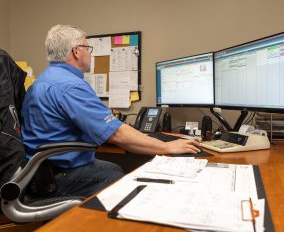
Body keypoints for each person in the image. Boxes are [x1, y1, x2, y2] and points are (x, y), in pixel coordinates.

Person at [21, 24, 201, 198]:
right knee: (125, 185)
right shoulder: (71, 86)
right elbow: (117, 134)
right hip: (58, 176)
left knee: (114, 168)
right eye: (88, 48)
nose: (90, 54)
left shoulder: (41, 81)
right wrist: (166, 147)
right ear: (76, 51)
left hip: (40, 171)